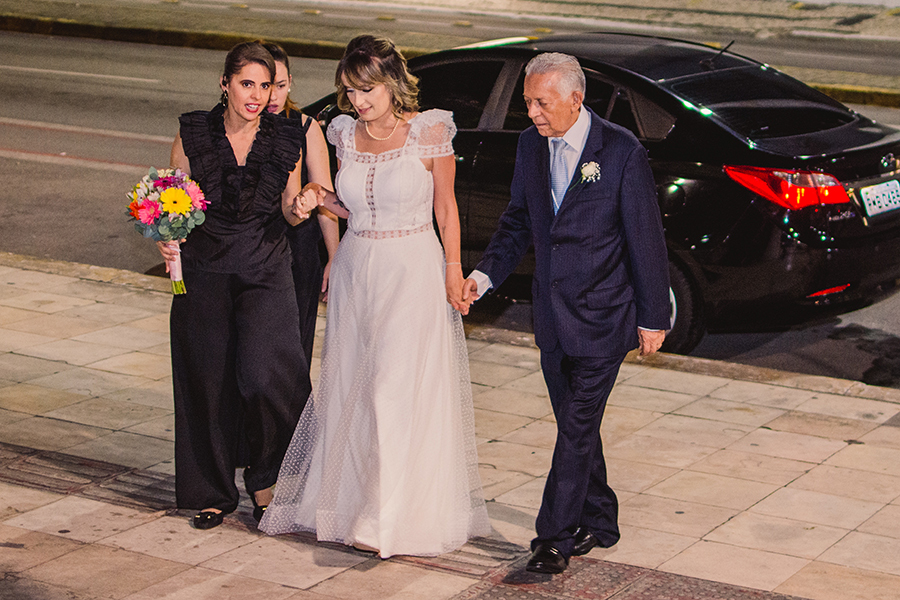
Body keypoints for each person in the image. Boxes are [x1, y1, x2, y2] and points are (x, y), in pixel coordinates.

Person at [260, 35, 491, 557]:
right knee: (353, 388)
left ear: (391, 83)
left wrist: (454, 273)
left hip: (411, 270)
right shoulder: (342, 133)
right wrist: (321, 199)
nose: (359, 101)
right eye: (350, 90)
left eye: (367, 89)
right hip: (357, 269)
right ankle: (349, 500)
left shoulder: (429, 131)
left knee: (392, 385)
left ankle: (385, 513)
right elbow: (353, 207)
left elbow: (447, 212)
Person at [461, 52, 670, 574]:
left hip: (604, 316)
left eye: (541, 102)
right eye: (528, 101)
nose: (531, 112)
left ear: (576, 99)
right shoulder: (531, 146)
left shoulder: (620, 152)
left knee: (575, 427)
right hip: (552, 318)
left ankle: (553, 536)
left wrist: (653, 316)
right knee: (577, 424)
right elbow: (516, 223)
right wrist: (482, 276)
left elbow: (646, 239)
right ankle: (601, 517)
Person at [158, 41, 322, 530]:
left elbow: (291, 206)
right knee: (206, 382)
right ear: (225, 84)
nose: (256, 95)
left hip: (265, 268)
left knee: (267, 375)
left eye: (265, 85)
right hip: (204, 270)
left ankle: (268, 477)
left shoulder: (284, 138)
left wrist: (304, 205)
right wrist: (166, 241)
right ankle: (212, 492)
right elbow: (174, 207)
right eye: (247, 83)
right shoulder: (191, 134)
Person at [262, 42, 339, 366]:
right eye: (267, 86)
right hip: (254, 249)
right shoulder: (238, 126)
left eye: (280, 86)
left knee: (294, 350)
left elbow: (325, 200)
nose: (273, 96)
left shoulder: (306, 128)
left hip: (297, 251)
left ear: (290, 82)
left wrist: (334, 259)